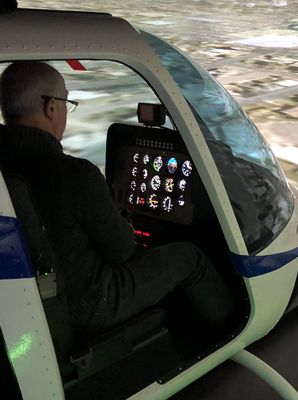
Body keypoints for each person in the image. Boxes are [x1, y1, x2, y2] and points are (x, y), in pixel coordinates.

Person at [0, 61, 237, 343]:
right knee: (189, 257)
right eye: (66, 102)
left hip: (28, 302)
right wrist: (118, 217)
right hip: (90, 302)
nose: (65, 111)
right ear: (51, 106)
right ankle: (232, 336)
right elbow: (122, 250)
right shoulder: (74, 174)